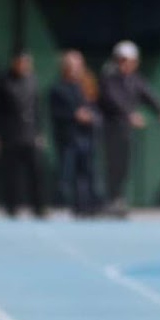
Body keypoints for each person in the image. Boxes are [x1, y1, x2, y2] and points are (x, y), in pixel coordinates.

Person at [98, 40, 160, 216]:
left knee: (123, 166)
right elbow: (112, 99)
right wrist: (128, 114)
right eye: (123, 60)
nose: (128, 64)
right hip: (111, 129)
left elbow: (148, 95)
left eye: (131, 61)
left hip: (125, 132)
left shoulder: (134, 79)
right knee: (113, 165)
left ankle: (118, 199)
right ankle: (109, 200)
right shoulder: (109, 78)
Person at [0, 51, 47, 219]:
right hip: (10, 134)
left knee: (36, 172)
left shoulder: (33, 81)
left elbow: (37, 109)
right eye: (21, 62)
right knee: (11, 174)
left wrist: (40, 133)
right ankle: (12, 207)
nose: (24, 66)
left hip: (30, 134)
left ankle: (39, 208)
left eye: (27, 63)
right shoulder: (3, 81)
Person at [49, 50, 100, 216]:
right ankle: (61, 204)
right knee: (66, 175)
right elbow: (55, 113)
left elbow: (94, 106)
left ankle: (85, 207)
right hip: (68, 137)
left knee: (86, 173)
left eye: (78, 65)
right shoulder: (57, 89)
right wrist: (74, 115)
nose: (76, 69)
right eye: (72, 65)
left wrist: (90, 115)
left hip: (86, 136)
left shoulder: (85, 86)